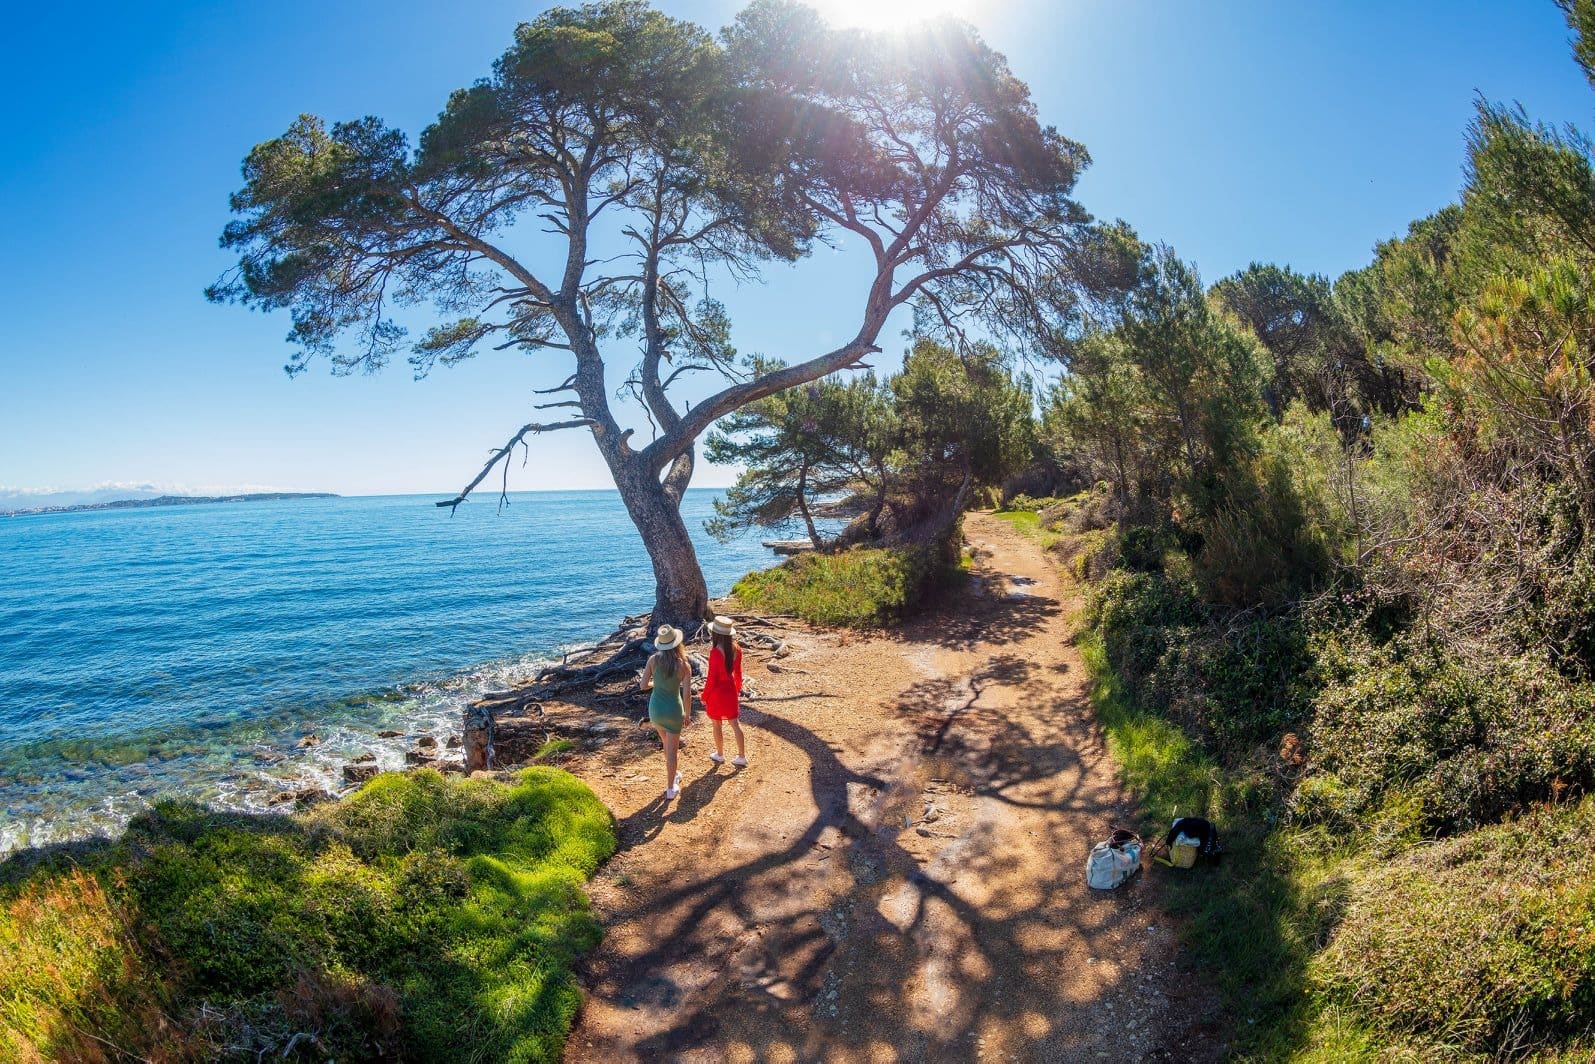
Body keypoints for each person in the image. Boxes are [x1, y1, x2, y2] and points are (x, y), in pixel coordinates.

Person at [640, 624, 693, 800]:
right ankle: (670, 788)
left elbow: (643, 686)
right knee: (672, 751)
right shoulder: (684, 665)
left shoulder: (653, 660)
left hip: (655, 710)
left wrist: (657, 684)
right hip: (673, 711)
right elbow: (686, 695)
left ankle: (674, 774)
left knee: (666, 744)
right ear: (677, 644)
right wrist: (687, 714)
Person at [701, 615, 747, 766]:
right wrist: (737, 689)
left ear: (715, 634)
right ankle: (741, 756)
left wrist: (704, 695)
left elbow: (711, 679)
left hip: (717, 693)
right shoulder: (737, 649)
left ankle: (720, 754)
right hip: (730, 690)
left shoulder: (715, 652)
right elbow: (738, 673)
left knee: (717, 724)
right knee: (735, 724)